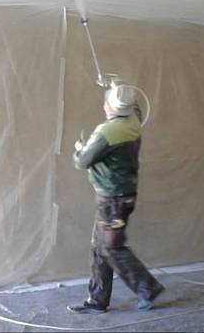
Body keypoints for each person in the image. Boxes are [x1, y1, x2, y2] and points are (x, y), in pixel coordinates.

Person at [67, 82, 164, 314]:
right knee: (100, 247)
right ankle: (97, 301)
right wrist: (117, 86)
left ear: (108, 107)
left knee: (111, 247)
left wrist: (80, 147)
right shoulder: (134, 122)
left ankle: (147, 288)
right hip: (121, 197)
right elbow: (136, 107)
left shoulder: (107, 132)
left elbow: (82, 161)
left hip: (112, 201)